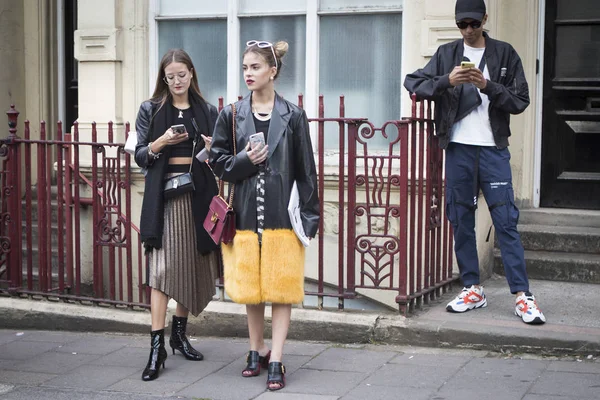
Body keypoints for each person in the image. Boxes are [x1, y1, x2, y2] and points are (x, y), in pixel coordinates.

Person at [404, 0, 546, 324]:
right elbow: (413, 82)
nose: (468, 30)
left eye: (473, 23)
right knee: (461, 220)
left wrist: (488, 86)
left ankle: (522, 295)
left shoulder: (504, 53)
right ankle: (472, 287)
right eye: (462, 25)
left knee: (506, 221)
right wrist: (446, 81)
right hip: (459, 150)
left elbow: (520, 99)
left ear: (484, 18)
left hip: (493, 150)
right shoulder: (447, 55)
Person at [209, 40, 319, 390]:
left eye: (255, 67)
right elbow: (218, 163)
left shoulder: (294, 115)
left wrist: (310, 217)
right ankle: (255, 350)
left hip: (282, 217)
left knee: (282, 290)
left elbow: (307, 171)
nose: (248, 74)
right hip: (243, 217)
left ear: (273, 71)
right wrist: (244, 161)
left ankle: (278, 358)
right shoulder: (231, 114)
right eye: (245, 68)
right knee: (251, 289)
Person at [134, 48, 221, 381]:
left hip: (197, 198)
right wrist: (161, 142)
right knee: (162, 271)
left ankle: (179, 336)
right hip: (164, 200)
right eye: (170, 77)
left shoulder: (206, 110)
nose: (176, 82)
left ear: (191, 73)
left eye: (181, 75)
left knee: (192, 265)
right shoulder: (152, 109)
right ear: (164, 78)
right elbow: (141, 155)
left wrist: (213, 149)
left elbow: (221, 158)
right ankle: (156, 349)